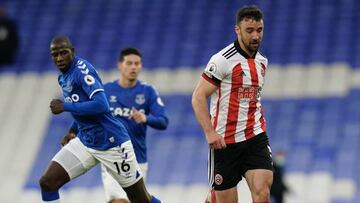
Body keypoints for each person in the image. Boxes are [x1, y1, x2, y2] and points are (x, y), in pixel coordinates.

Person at [39, 35, 161, 203]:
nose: (59, 58)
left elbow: (101, 105)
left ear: (72, 52)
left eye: (63, 53)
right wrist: (72, 131)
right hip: (86, 142)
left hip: (112, 144)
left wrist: (65, 106)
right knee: (48, 182)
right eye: (55, 54)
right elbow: (83, 105)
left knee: (140, 199)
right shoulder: (63, 76)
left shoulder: (82, 71)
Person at [192, 5, 273, 203]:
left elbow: (252, 98)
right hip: (225, 143)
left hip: (255, 137)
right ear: (237, 30)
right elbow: (198, 96)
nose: (255, 36)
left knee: (262, 193)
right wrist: (210, 132)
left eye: (259, 30)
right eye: (249, 31)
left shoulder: (262, 62)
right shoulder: (222, 60)